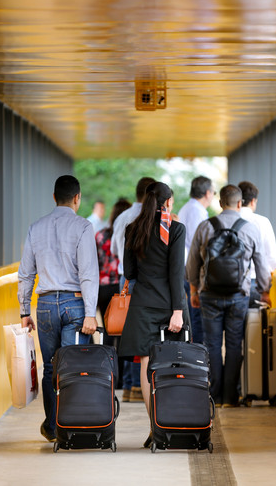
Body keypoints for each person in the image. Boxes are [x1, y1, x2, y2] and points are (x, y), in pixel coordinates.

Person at [17, 175, 100, 443]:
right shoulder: (83, 227)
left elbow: (26, 274)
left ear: (54, 197)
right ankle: (71, 425)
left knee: (51, 368)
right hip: (75, 305)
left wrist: (24, 311)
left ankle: (53, 427)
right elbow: (88, 273)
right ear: (77, 198)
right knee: (73, 366)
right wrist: (90, 313)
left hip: (44, 307)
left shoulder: (35, 228)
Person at [186, 184, 271, 408]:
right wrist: (265, 291)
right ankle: (231, 397)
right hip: (238, 295)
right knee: (234, 344)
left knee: (212, 344)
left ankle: (214, 395)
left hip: (209, 295)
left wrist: (194, 290)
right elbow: (261, 264)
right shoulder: (250, 228)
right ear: (240, 203)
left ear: (220, 202)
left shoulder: (206, 226)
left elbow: (192, 262)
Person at [117, 181, 186, 447]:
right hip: (171, 305)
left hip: (143, 304)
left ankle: (153, 428)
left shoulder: (133, 229)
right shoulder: (175, 230)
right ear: (168, 203)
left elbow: (130, 272)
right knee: (173, 363)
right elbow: (176, 273)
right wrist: (177, 311)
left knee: (147, 362)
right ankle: (170, 424)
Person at [110, 177, 156, 402]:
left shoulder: (122, 217)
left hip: (124, 280)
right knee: (142, 335)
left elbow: (113, 249)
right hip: (143, 281)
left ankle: (128, 386)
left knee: (126, 333)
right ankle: (139, 386)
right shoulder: (150, 218)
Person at [177, 176, 215, 344]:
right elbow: (198, 245)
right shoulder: (196, 211)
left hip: (186, 266)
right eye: (214, 192)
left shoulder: (188, 208)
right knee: (197, 318)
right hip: (191, 268)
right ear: (207, 193)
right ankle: (198, 355)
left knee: (194, 317)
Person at [238, 181, 276, 305]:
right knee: (253, 323)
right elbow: (272, 258)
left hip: (228, 283)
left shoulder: (225, 220)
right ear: (253, 201)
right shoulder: (262, 222)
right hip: (254, 282)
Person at [95, 198, 132, 319]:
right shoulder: (131, 235)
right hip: (123, 285)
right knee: (123, 329)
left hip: (103, 287)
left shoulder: (100, 235)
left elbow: (94, 263)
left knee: (108, 330)